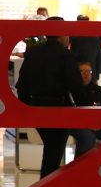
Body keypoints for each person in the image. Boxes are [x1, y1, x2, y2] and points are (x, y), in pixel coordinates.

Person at [15, 17, 90, 177]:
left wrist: (25, 108)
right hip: (58, 109)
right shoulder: (65, 54)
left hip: (36, 106)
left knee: (51, 151)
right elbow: (75, 86)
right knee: (54, 153)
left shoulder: (33, 52)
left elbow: (22, 84)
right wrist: (86, 109)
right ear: (62, 34)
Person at [69, 62, 101, 156]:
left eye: (88, 71)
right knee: (88, 137)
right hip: (76, 124)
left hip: (96, 123)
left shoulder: (97, 90)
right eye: (82, 71)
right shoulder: (70, 90)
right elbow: (72, 114)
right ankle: (79, 167)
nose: (86, 74)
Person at [69, 14, 101, 79]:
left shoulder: (75, 39)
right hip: (92, 74)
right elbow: (98, 60)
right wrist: (97, 76)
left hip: (79, 74)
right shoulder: (96, 39)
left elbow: (74, 58)